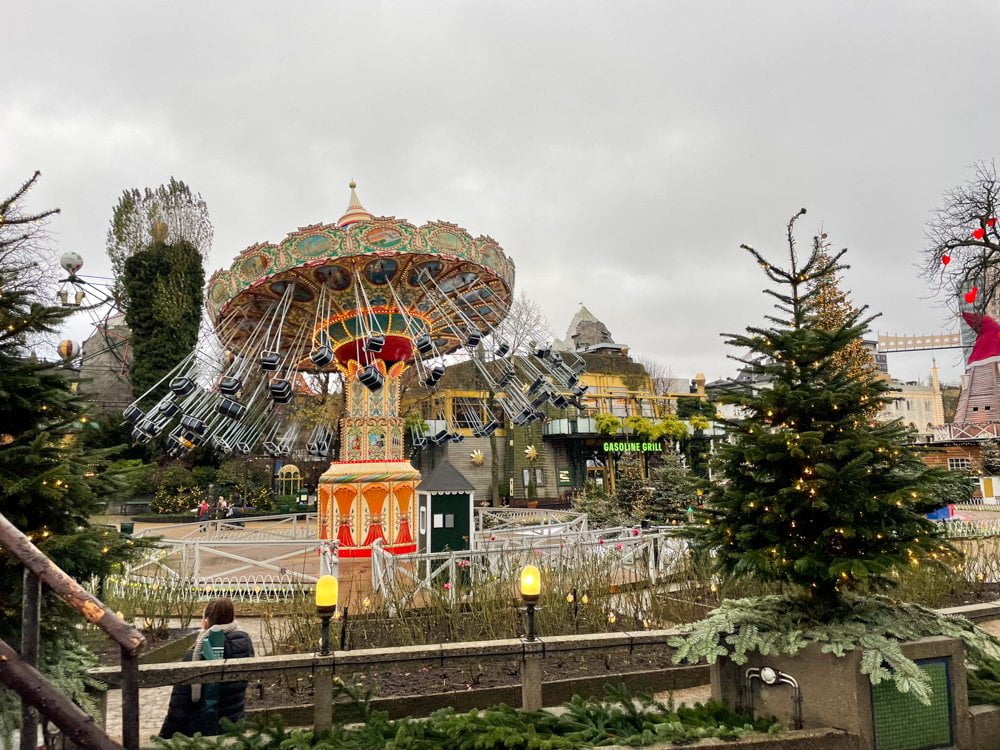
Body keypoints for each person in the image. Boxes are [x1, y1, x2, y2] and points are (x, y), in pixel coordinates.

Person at [158, 598, 255, 738]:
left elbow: (180, 705)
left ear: (206, 620)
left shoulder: (197, 652)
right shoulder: (244, 643)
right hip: (234, 723)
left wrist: (164, 736)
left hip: (199, 730)